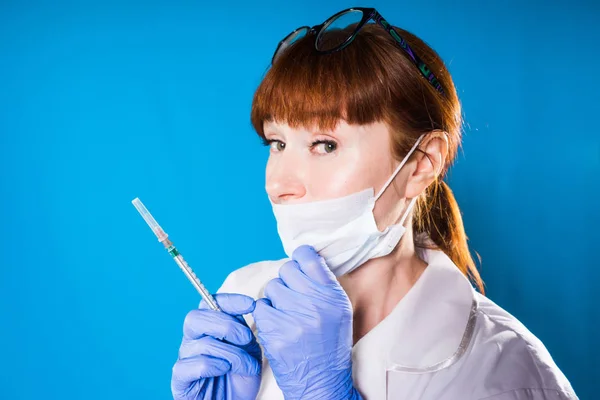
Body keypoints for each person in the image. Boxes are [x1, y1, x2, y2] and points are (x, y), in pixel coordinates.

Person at [170, 7, 578, 400]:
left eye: (324, 144)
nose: (279, 184)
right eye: (277, 143)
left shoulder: (507, 373)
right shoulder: (242, 301)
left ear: (421, 163)